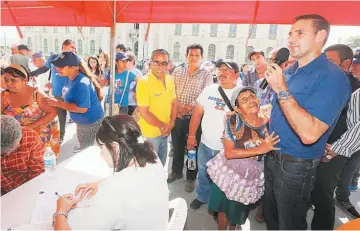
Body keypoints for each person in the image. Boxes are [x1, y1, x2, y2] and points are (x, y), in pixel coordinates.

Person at [262, 14, 351, 230]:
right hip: (272, 155)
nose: (291, 38)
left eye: (299, 33)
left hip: (296, 165)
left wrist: (281, 89)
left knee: (290, 223)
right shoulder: (291, 70)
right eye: (290, 33)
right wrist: (267, 115)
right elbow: (288, 108)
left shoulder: (333, 77)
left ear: (320, 36)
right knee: (272, 216)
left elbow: (310, 133)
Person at [53, 115, 168, 230]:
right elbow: (129, 181)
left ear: (115, 147)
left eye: (101, 146)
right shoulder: (149, 153)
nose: (101, 152)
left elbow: (117, 191)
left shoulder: (113, 193)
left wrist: (61, 210)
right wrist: (99, 184)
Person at [207, 87, 279, 230]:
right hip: (229, 172)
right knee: (223, 208)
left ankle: (232, 228)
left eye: (253, 96)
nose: (251, 100)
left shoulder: (269, 121)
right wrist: (260, 149)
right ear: (238, 109)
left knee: (237, 212)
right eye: (244, 100)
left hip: (250, 176)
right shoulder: (233, 120)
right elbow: (229, 153)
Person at [310, 44, 360, 229]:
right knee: (311, 188)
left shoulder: (355, 89)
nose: (325, 65)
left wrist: (335, 150)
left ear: (346, 63)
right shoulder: (322, 82)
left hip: (334, 150)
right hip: (314, 145)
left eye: (330, 61)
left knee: (323, 193)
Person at [187, 60, 239, 210]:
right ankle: (203, 196)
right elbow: (197, 113)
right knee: (203, 172)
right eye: (220, 70)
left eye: (227, 70)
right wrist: (191, 136)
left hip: (227, 149)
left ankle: (222, 203)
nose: (222, 73)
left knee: (226, 177)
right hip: (205, 144)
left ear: (237, 74)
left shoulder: (243, 93)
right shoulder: (209, 90)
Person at [167, 44, 212, 193]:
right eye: (191, 55)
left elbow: (205, 94)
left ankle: (191, 177)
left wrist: (188, 107)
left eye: (197, 55)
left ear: (201, 57)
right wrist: (178, 106)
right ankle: (176, 171)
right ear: (186, 56)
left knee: (192, 148)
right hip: (178, 116)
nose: (193, 58)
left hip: (195, 119)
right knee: (177, 146)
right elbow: (171, 92)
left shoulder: (206, 74)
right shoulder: (178, 71)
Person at [43, 52, 104, 153]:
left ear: (74, 67)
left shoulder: (81, 83)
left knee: (87, 152)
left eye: (61, 66)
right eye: (57, 66)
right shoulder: (71, 78)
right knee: (84, 145)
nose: (57, 69)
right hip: (82, 122)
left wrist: (57, 103)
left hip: (89, 122)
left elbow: (82, 108)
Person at [1, 64, 60, 156]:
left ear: (25, 80)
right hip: (19, 136)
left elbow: (53, 112)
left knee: (40, 163)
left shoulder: (37, 95)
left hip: (40, 135)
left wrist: (31, 126)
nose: (8, 83)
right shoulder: (4, 96)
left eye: (13, 80)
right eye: (6, 80)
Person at [30, 39, 77, 143]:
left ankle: (79, 137)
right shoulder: (53, 58)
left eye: (74, 48)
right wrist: (31, 73)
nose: (74, 49)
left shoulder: (75, 59)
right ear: (63, 46)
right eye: (72, 47)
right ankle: (61, 135)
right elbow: (44, 69)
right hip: (58, 93)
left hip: (72, 92)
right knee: (61, 115)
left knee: (77, 115)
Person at [136, 49, 177, 166]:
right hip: (150, 134)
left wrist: (172, 123)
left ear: (168, 64)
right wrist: (165, 126)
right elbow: (144, 112)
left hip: (166, 131)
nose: (160, 67)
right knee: (149, 167)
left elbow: (174, 101)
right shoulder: (144, 82)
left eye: (164, 63)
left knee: (161, 164)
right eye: (156, 62)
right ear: (150, 63)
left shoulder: (170, 79)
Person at [1, 115, 45, 195]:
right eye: (2, 153)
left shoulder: (30, 137)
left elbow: (37, 170)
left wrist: (31, 192)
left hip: (29, 187)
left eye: (12, 150)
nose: (7, 154)